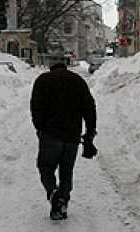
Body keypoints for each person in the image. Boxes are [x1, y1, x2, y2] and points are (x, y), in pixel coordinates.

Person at [30, 61, 97, 220]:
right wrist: (89, 133)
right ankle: (62, 200)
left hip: (50, 135)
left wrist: (39, 128)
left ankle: (54, 194)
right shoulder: (77, 80)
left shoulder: (43, 80)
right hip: (72, 136)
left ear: (51, 67)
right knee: (66, 172)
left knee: (45, 167)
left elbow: (35, 107)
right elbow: (89, 108)